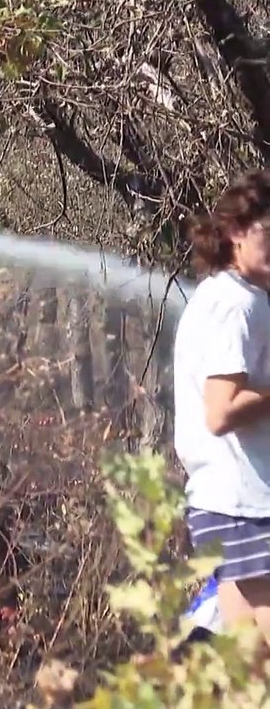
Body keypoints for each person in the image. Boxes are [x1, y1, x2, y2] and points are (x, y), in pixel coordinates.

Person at [173, 167, 270, 650]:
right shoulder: (237, 304)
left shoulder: (239, 297)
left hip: (229, 502)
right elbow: (221, 411)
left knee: (244, 659)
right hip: (241, 504)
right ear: (234, 231)